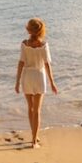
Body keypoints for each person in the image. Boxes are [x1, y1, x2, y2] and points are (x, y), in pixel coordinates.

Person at [14, 17, 58, 147]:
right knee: (37, 110)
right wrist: (52, 82)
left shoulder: (24, 44)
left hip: (27, 76)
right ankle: (34, 139)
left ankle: (34, 136)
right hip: (39, 76)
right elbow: (47, 64)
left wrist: (17, 82)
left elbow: (21, 63)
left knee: (30, 108)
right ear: (41, 31)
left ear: (28, 30)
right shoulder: (44, 45)